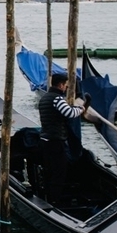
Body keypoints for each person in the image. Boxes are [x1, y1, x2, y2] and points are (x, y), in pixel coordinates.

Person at [37, 72, 86, 204]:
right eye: (66, 85)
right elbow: (69, 113)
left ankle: (47, 197)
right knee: (59, 171)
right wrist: (80, 108)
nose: (66, 88)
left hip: (45, 140)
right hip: (55, 141)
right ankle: (55, 201)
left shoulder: (44, 98)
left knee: (50, 170)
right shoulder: (57, 99)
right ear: (60, 85)